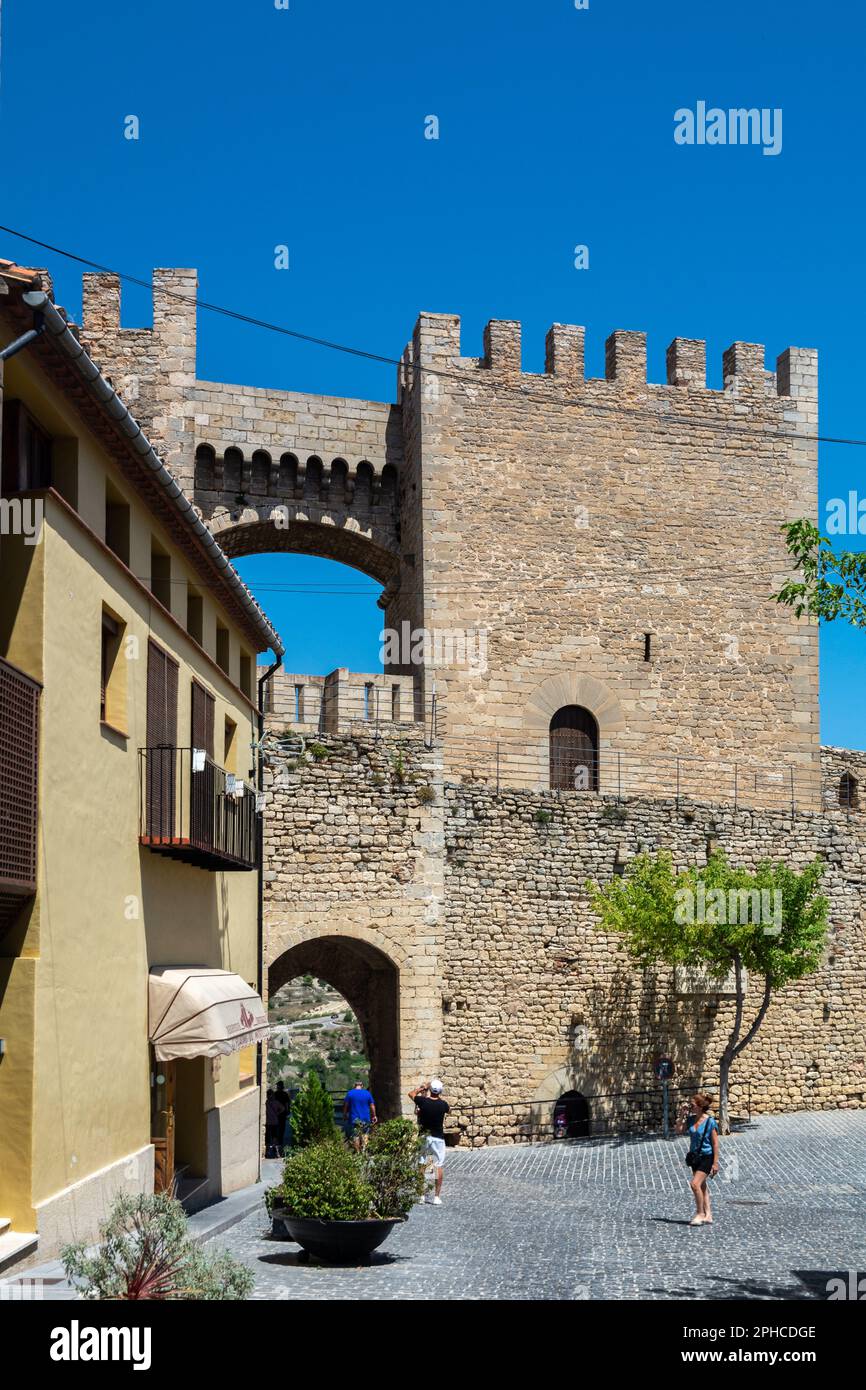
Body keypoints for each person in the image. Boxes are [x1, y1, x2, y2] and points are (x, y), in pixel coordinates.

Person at [675, 1091, 719, 1226]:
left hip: (707, 1156)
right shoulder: (690, 1120)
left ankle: (700, 1213)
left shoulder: (710, 1122)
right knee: (702, 1186)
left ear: (700, 1107)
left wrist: (715, 1163)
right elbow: (678, 1130)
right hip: (695, 1157)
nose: (690, 1107)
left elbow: (715, 1143)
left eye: (692, 1105)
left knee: (695, 1184)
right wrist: (682, 1115)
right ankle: (708, 1215)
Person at [410, 1078, 450, 1206]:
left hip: (424, 1136)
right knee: (438, 1165)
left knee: (422, 1163)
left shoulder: (423, 1102)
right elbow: (449, 1110)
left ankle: (421, 1195)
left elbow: (411, 1094)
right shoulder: (443, 1104)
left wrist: (422, 1088)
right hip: (438, 1137)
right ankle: (436, 1197)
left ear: (430, 1090)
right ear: (440, 1091)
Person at [343, 1080, 377, 1149]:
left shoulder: (350, 1093)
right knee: (365, 1134)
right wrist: (374, 1116)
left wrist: (344, 1114)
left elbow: (345, 1105)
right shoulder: (367, 1093)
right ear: (362, 1086)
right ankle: (364, 1151)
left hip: (354, 1118)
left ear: (354, 1086)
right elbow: (372, 1106)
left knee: (355, 1136)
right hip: (365, 1118)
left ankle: (357, 1153)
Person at [264, 1089, 281, 1158]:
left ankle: (267, 1152)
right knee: (274, 1137)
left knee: (268, 1138)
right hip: (275, 1122)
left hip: (268, 1122)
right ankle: (276, 1152)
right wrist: (277, 1113)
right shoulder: (276, 1102)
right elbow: (282, 1108)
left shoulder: (266, 1103)